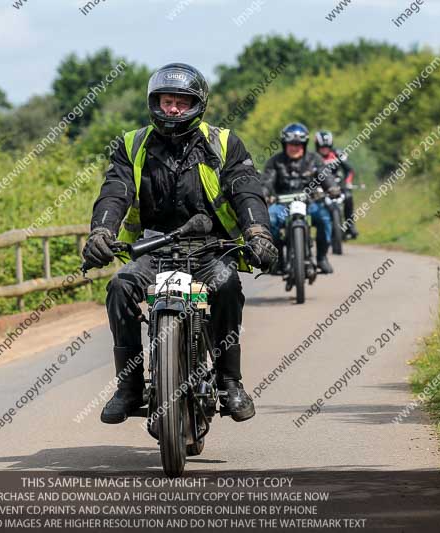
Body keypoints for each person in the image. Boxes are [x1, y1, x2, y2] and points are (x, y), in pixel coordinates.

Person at [82, 63, 277, 425]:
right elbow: (115, 191)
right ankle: (129, 388)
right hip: (151, 248)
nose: (172, 109)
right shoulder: (132, 144)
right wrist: (101, 232)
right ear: (153, 102)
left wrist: (258, 233)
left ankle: (229, 381)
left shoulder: (223, 142)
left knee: (228, 284)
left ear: (197, 105)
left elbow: (245, 189)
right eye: (166, 101)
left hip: (209, 247)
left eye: (181, 102)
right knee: (120, 287)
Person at [262, 123, 335, 274]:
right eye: (291, 144)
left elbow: (325, 176)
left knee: (325, 218)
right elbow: (267, 181)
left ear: (304, 144)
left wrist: (332, 188)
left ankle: (321, 258)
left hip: (309, 203)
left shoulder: (314, 159)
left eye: (298, 144)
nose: (294, 147)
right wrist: (263, 194)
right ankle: (278, 259)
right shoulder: (275, 162)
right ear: (285, 144)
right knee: (270, 220)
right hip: (282, 204)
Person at [315, 130, 358, 239]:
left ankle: (350, 226)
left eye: (327, 147)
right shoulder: (313, 157)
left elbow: (349, 170)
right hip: (319, 187)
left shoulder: (338, 154)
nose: (324, 150)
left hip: (337, 185)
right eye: (321, 147)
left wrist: (348, 182)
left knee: (348, 196)